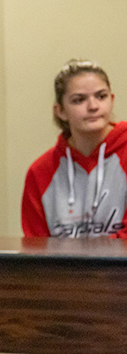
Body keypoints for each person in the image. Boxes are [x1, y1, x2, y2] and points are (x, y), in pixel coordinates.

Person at [22, 59, 127, 239]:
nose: (93, 106)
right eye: (79, 100)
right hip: (63, 268)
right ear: (60, 111)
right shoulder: (39, 173)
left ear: (112, 100)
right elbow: (36, 250)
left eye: (101, 96)